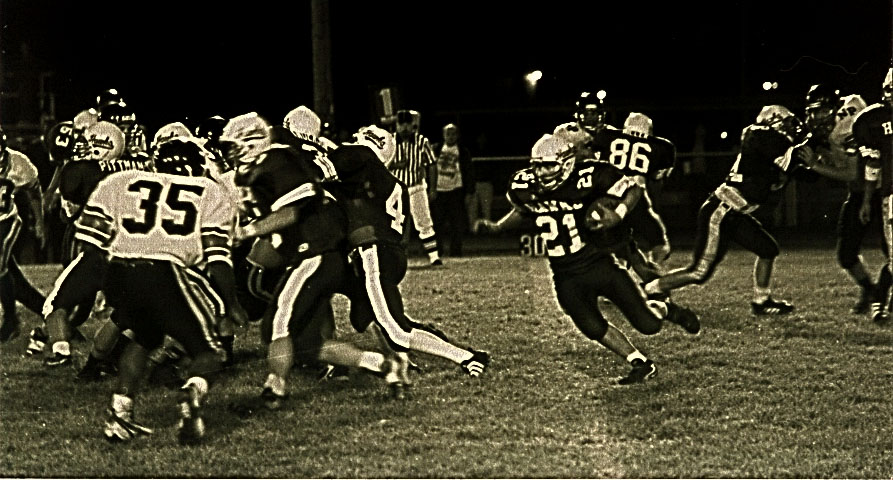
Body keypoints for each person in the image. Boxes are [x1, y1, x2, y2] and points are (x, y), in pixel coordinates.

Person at [474, 133, 700, 383]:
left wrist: (619, 214)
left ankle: (665, 309)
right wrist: (498, 226)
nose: (542, 172)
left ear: (567, 163)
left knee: (648, 325)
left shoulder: (591, 175)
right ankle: (640, 362)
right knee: (591, 326)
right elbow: (523, 209)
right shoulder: (524, 185)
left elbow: (634, 190)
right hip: (564, 273)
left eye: (549, 165)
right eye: (537, 166)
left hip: (597, 263)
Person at [222, 109, 404, 407]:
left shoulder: (277, 160)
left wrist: (247, 231)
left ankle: (275, 387)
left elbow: (291, 211)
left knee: (278, 323)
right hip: (315, 256)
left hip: (314, 254)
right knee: (306, 343)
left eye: (233, 145)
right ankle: (382, 365)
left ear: (252, 141)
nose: (230, 153)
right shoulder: (258, 172)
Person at [76, 137, 248, 444]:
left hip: (120, 268)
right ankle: (192, 392)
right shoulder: (210, 191)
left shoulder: (121, 180)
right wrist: (231, 302)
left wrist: (103, 285)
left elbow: (90, 242)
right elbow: (218, 258)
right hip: (166, 271)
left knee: (143, 337)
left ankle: (120, 415)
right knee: (210, 352)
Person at [319, 125, 491, 388]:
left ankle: (466, 357)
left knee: (396, 330)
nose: (351, 142)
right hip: (388, 254)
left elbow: (328, 165)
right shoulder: (387, 181)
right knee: (364, 316)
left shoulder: (362, 158)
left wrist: (312, 144)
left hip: (373, 253)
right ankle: (391, 358)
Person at [643, 105, 815, 314]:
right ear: (773, 122)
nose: (791, 129)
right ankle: (649, 289)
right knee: (699, 272)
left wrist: (815, 160)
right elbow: (785, 154)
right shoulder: (759, 134)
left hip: (736, 214)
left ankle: (761, 301)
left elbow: (806, 173)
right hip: (721, 211)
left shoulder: (771, 148)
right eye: (787, 123)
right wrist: (812, 140)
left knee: (768, 249)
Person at [799, 85, 883, 315]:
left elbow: (852, 173)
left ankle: (882, 293)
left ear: (834, 108)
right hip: (859, 192)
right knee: (846, 253)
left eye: (821, 111)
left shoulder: (844, 130)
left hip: (881, 188)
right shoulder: (850, 105)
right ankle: (870, 289)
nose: (816, 117)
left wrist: (815, 165)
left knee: (890, 250)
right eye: (813, 111)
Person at [0, 127, 48, 343]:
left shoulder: (19, 163)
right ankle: (52, 314)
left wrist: (39, 222)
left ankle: (11, 321)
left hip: (5, 221)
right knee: (14, 282)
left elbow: (34, 192)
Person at [855, 67, 893, 323]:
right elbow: (873, 164)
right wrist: (868, 200)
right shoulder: (874, 120)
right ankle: (879, 301)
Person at [387, 109, 441, 266]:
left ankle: (434, 257)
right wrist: (396, 165)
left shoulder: (421, 141)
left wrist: (433, 188)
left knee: (424, 222)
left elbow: (432, 164)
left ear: (412, 125)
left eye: (407, 124)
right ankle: (396, 259)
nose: (404, 127)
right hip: (396, 190)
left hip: (416, 187)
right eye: (401, 124)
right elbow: (381, 165)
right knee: (394, 225)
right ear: (397, 125)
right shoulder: (389, 142)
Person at [431, 123, 474, 257]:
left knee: (456, 223)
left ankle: (456, 251)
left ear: (457, 135)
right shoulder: (435, 149)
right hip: (439, 191)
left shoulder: (463, 151)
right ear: (443, 135)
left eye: (453, 134)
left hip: (456, 191)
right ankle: (437, 251)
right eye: (448, 134)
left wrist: (469, 192)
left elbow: (469, 172)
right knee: (437, 223)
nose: (450, 137)